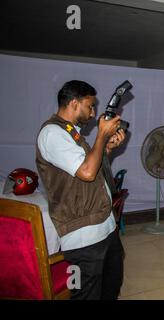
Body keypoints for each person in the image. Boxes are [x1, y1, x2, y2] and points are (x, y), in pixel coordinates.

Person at [36, 80, 126, 299]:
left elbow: (89, 167)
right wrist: (101, 135)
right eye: (90, 105)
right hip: (83, 237)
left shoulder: (72, 133)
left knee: (111, 285)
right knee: (86, 294)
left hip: (103, 226)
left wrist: (106, 149)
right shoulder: (52, 133)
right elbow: (87, 172)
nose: (93, 113)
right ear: (74, 103)